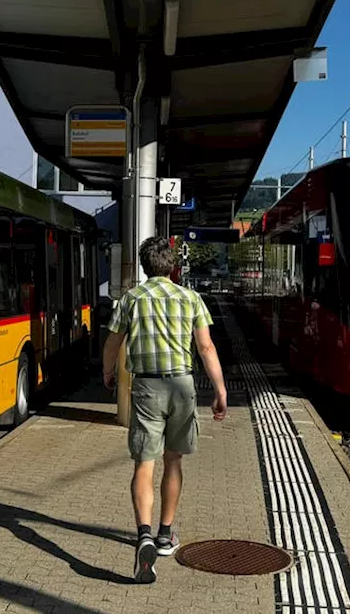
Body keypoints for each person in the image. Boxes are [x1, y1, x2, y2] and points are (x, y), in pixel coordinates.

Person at [102, 236, 228, 584]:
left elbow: (113, 342)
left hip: (146, 387)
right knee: (174, 461)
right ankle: (164, 535)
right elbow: (205, 347)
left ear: (144, 266)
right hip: (182, 386)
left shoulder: (131, 299)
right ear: (173, 265)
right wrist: (219, 390)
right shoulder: (191, 299)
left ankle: (143, 532)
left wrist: (108, 373)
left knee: (145, 462)